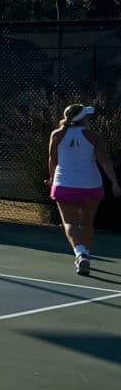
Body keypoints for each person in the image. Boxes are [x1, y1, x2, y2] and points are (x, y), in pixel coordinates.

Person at [47, 104, 119, 276]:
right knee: (87, 223)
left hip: (64, 183)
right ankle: (84, 254)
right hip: (90, 184)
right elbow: (104, 160)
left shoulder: (56, 134)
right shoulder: (94, 136)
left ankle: (80, 254)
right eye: (87, 115)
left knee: (70, 223)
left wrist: (52, 179)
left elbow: (52, 160)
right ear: (83, 118)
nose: (89, 118)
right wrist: (114, 182)